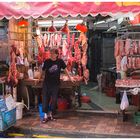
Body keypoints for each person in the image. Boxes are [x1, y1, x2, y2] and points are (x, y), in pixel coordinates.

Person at [40, 48, 74, 123]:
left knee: (54, 100)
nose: (51, 54)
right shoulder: (47, 61)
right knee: (45, 99)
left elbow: (65, 70)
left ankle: (51, 114)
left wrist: (70, 78)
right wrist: (39, 79)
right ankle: (45, 115)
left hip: (55, 84)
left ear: (56, 54)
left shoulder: (60, 61)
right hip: (47, 83)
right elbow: (42, 71)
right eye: (50, 53)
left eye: (52, 53)